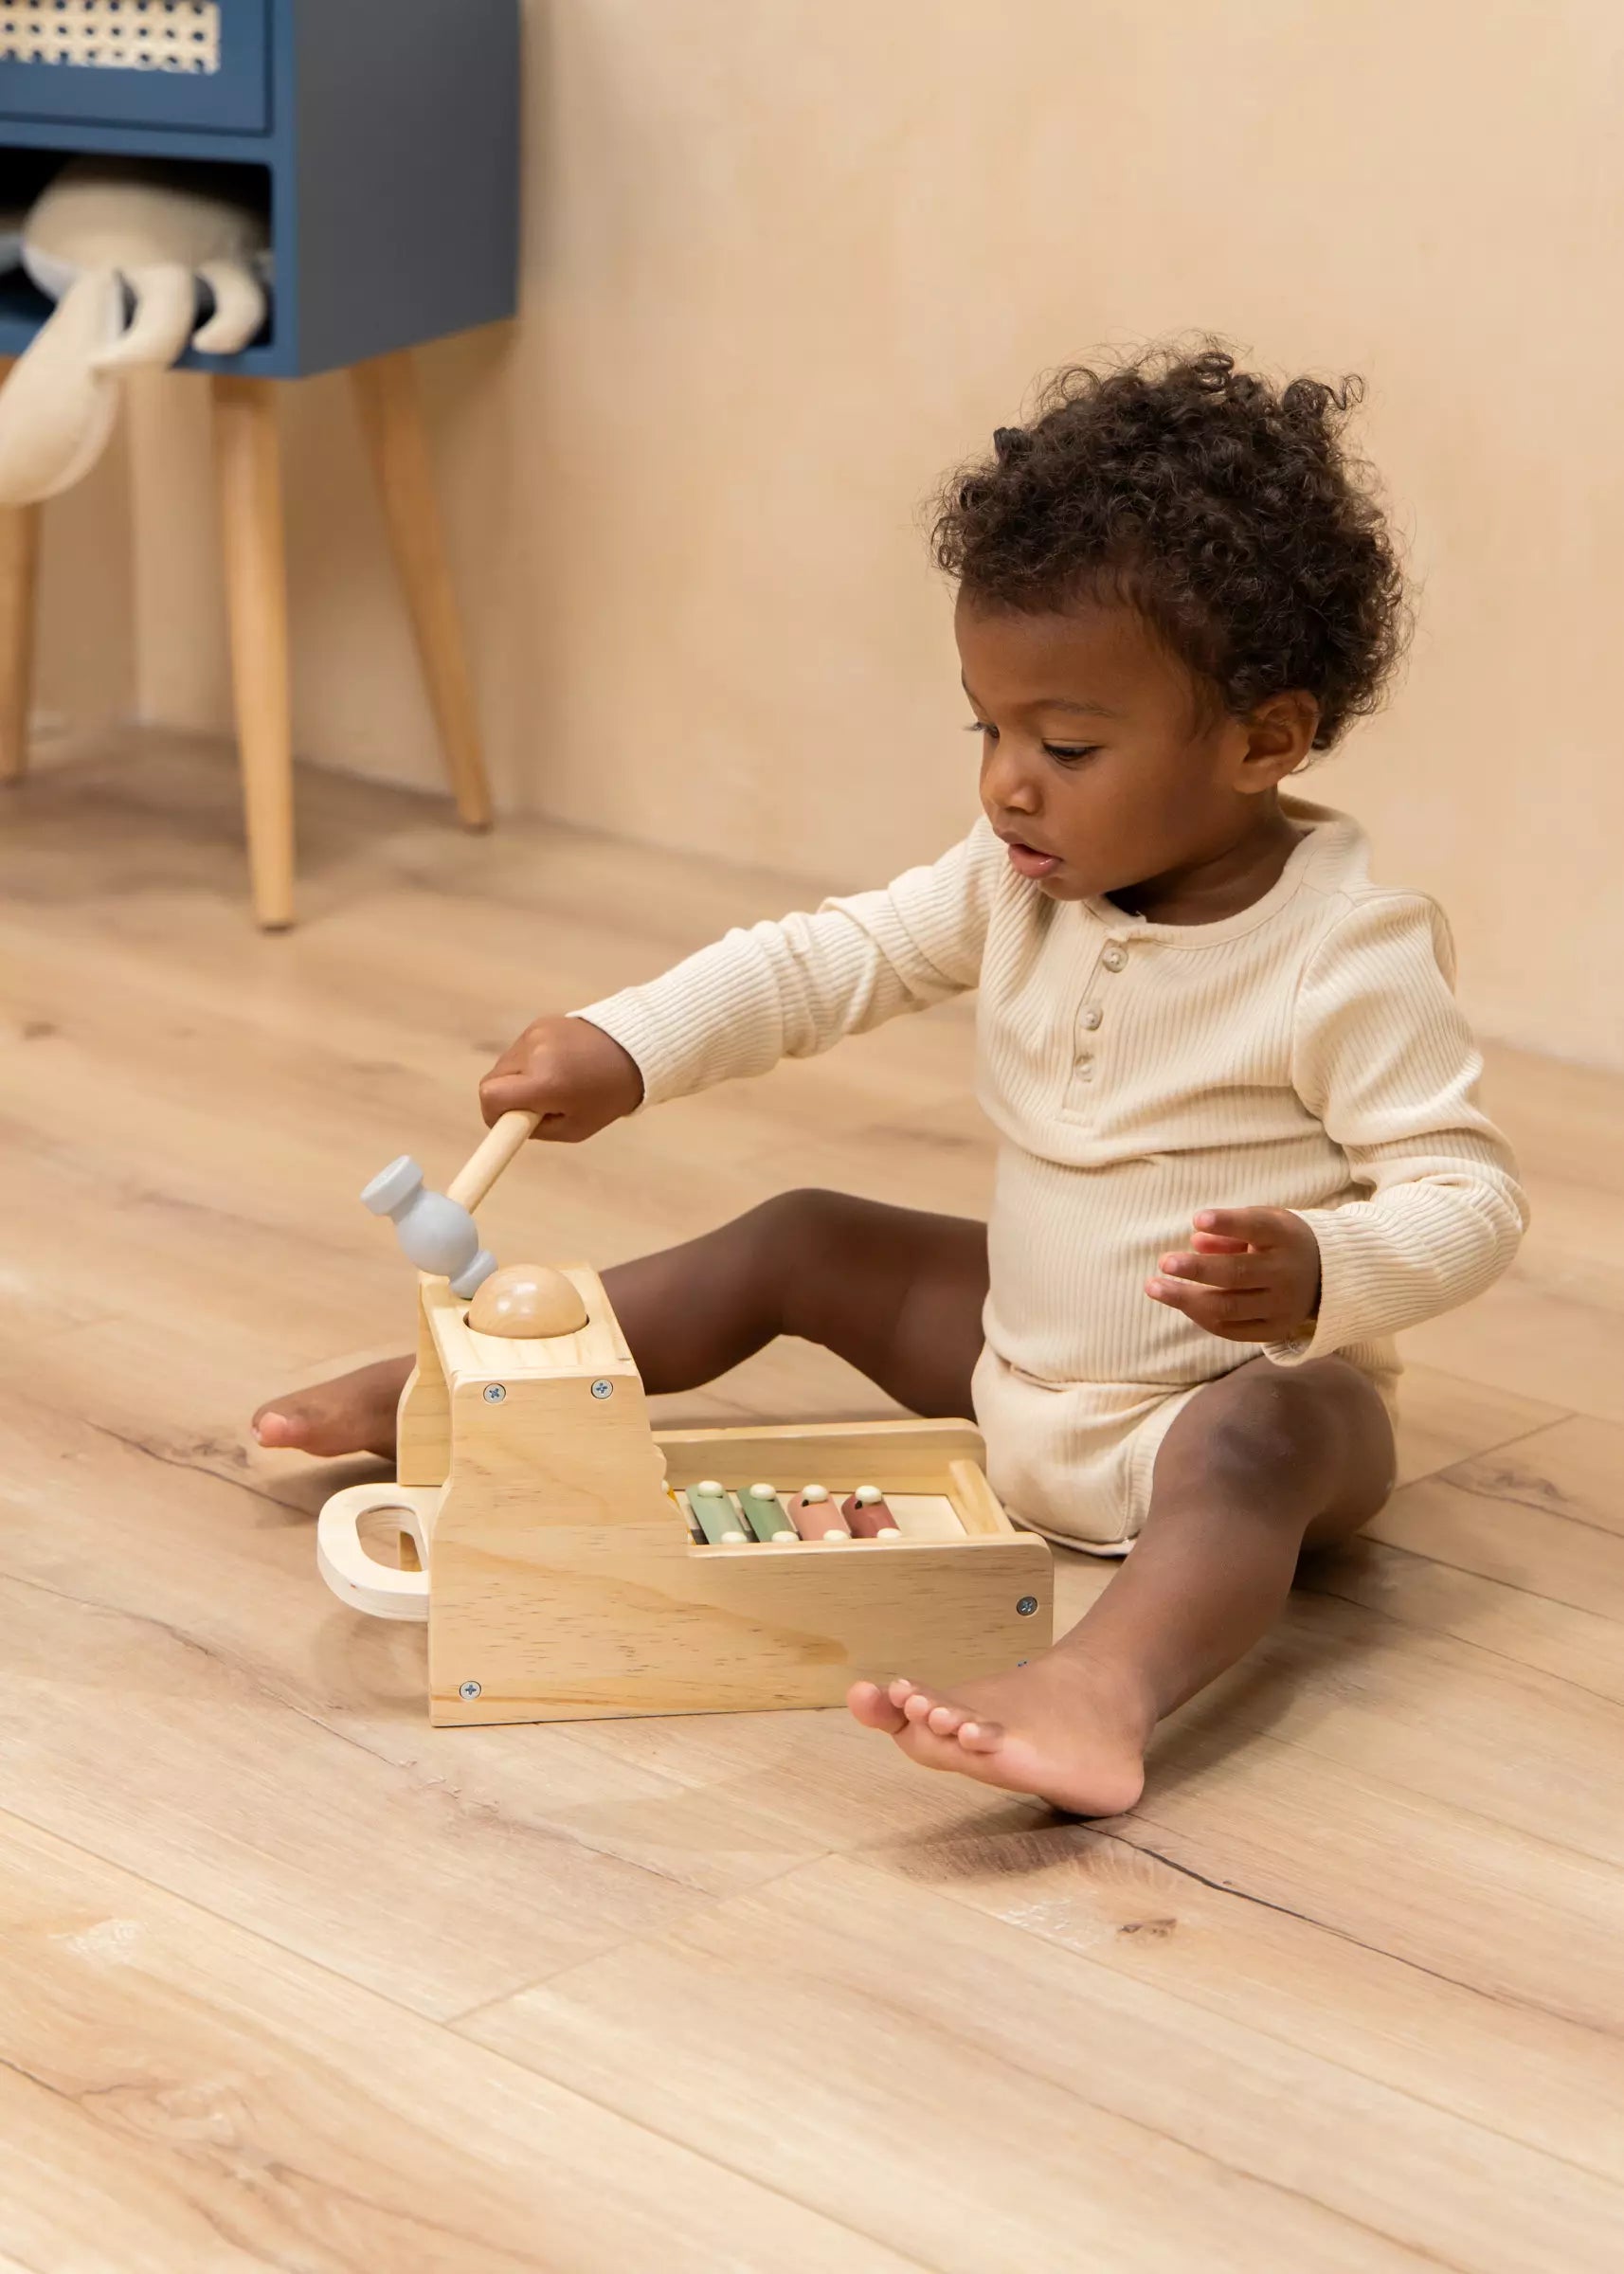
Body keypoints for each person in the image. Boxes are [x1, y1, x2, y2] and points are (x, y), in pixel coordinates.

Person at [256, 346, 1526, 1815]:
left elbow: (1469, 1198)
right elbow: (829, 959)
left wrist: (1324, 1270)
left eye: (1063, 744)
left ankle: (1096, 1690)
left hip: (1216, 1403)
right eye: (985, 729)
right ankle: (463, 1396)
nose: (1004, 783)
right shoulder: (1016, 882)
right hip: (1018, 1370)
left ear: (1264, 739)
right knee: (800, 1237)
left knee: (1266, 1436)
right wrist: (629, 1042)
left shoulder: (1344, 950)